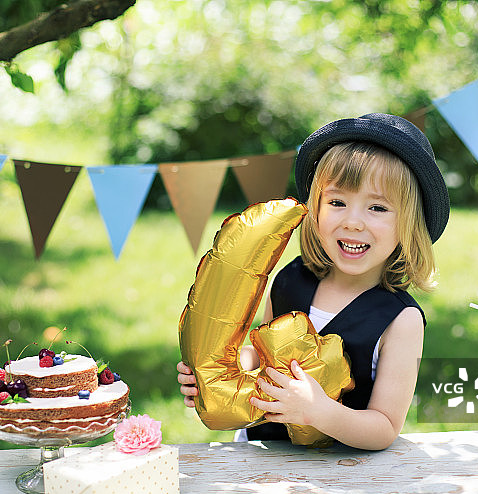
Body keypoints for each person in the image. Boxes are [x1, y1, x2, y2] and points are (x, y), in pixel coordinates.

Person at [177, 113, 449, 450]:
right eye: (337, 202)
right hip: (260, 453)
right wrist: (218, 372)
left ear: (409, 224)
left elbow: (385, 427)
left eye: (377, 208)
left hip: (339, 473)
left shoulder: (401, 320)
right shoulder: (290, 279)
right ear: (315, 209)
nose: (352, 222)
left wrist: (320, 412)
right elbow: (262, 358)